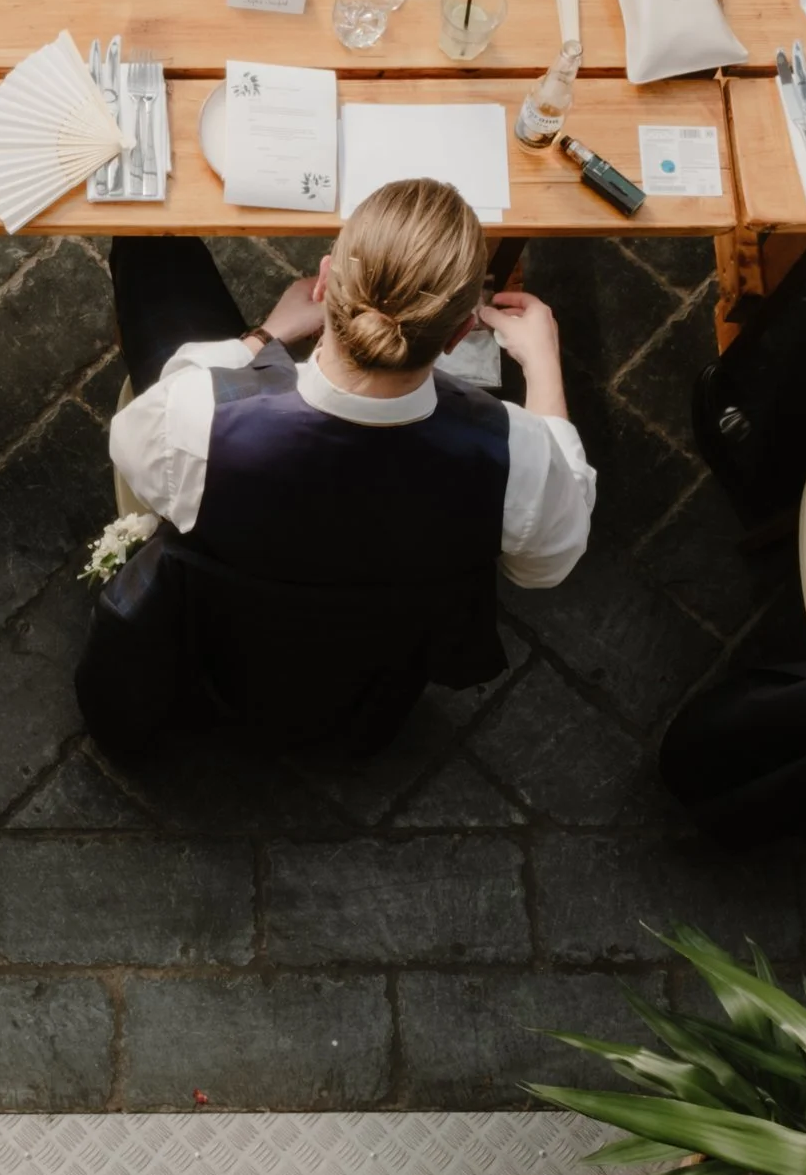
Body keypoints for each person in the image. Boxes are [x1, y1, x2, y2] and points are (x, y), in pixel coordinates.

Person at [85, 178, 596, 760]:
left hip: (214, 644)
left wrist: (264, 336)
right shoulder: (515, 455)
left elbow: (132, 447)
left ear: (326, 283)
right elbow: (547, 565)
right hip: (359, 681)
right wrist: (545, 365)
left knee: (154, 255)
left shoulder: (197, 414)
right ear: (459, 335)